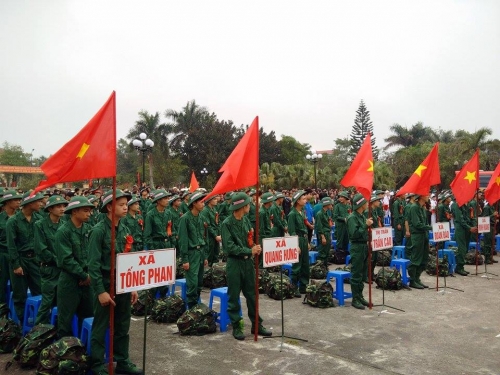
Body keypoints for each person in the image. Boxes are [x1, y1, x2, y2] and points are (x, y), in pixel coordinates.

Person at [88, 189, 143, 375]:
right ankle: (97, 364)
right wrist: (100, 291)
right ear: (109, 207)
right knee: (101, 325)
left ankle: (123, 361)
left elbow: (128, 261)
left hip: (123, 284)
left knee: (122, 324)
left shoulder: (125, 228)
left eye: (126, 204)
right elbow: (93, 266)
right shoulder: (98, 231)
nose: (125, 208)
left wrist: (132, 286)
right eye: (121, 205)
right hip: (104, 283)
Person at [221, 192, 272, 340]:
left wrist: (254, 247)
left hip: (248, 263)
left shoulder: (245, 221)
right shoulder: (227, 224)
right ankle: (237, 326)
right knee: (233, 296)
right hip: (234, 263)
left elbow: (248, 239)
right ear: (241, 206)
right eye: (248, 204)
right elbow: (229, 248)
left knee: (252, 295)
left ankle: (257, 325)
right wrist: (249, 250)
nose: (250, 206)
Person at [55, 196, 95, 338]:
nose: (89, 214)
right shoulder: (63, 231)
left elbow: (93, 255)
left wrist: (88, 275)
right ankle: (66, 355)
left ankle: (83, 350)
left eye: (90, 211)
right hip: (70, 280)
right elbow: (66, 260)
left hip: (87, 280)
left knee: (88, 316)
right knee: (65, 321)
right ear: (74, 212)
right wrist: (84, 276)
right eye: (85, 210)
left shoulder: (89, 229)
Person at [6, 191, 44, 322]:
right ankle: (21, 324)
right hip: (20, 260)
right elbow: (11, 245)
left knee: (39, 291)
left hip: (35, 260)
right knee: (20, 295)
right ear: (30, 203)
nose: (41, 203)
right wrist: (16, 265)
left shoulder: (39, 219)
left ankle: (37, 323)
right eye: (38, 201)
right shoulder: (13, 221)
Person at [34, 195, 68, 324]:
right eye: (58, 206)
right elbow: (41, 249)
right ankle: (37, 334)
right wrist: (59, 260)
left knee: (62, 302)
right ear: (50, 209)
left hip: (63, 269)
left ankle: (56, 331)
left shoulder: (64, 225)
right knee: (47, 302)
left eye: (63, 206)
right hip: (49, 269)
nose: (62, 209)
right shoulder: (40, 225)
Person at [178, 192, 208, 308]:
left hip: (200, 253)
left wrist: (205, 256)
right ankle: (191, 309)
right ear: (194, 203)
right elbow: (183, 240)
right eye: (201, 201)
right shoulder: (184, 219)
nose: (203, 203)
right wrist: (185, 259)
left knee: (200, 283)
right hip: (191, 254)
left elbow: (204, 237)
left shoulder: (202, 217)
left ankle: (197, 308)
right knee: (192, 284)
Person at [347, 193, 372, 309]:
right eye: (365, 202)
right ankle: (355, 298)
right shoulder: (352, 217)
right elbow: (354, 234)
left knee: (362, 273)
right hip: (357, 247)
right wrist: (365, 226)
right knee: (356, 274)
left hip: (363, 246)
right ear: (360, 205)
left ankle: (360, 296)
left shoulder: (362, 216)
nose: (367, 204)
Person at [0, 190, 22, 304]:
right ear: (7, 202)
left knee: (17, 285)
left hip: (18, 255)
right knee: (2, 283)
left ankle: (15, 311)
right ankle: (2, 309)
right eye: (16, 200)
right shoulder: (1, 218)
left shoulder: (21, 218)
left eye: (19, 200)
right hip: (3, 254)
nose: (19, 202)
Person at [287, 190, 310, 297]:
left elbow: (304, 228)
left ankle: (303, 286)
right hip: (297, 240)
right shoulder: (292, 214)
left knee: (305, 264)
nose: (305, 200)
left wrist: (307, 242)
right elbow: (292, 231)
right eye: (303, 199)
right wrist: (295, 245)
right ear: (297, 201)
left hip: (304, 240)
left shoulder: (302, 212)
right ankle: (294, 286)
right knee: (297, 265)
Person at [407, 194, 432, 288]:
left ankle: (417, 278)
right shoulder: (414, 208)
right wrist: (430, 227)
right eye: (426, 195)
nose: (428, 196)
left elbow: (425, 222)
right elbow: (417, 224)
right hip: (417, 236)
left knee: (424, 258)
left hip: (424, 235)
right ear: (421, 197)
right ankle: (412, 280)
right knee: (416, 258)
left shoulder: (422, 208)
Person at [450, 198, 478, 276]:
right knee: (462, 248)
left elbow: (471, 217)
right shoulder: (456, 205)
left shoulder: (467, 205)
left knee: (465, 248)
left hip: (467, 229)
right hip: (461, 229)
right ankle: (459, 267)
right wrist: (470, 228)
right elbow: (460, 220)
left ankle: (461, 266)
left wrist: (474, 226)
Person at [201, 195, 221, 266]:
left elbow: (217, 222)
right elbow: (208, 226)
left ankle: (214, 273)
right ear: (209, 201)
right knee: (209, 255)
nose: (216, 200)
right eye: (214, 199)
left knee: (216, 253)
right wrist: (215, 236)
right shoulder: (205, 211)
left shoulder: (214, 209)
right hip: (209, 236)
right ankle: (207, 272)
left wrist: (219, 234)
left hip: (215, 234)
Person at [314, 197, 334, 266]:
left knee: (327, 251)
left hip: (327, 233)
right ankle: (320, 268)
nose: (331, 205)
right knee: (322, 252)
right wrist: (323, 237)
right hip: (323, 234)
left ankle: (325, 268)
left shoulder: (326, 213)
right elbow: (319, 226)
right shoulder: (319, 214)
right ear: (327, 204)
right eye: (330, 204)